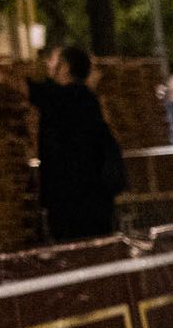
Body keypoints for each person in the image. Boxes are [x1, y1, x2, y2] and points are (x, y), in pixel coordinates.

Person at [29, 46, 128, 243]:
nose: (50, 66)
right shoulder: (88, 100)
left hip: (70, 201)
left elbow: (23, 88)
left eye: (54, 62)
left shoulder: (60, 97)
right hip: (97, 198)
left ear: (65, 67)